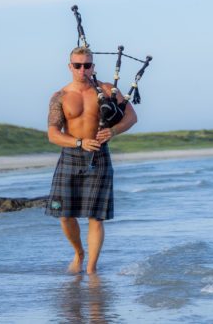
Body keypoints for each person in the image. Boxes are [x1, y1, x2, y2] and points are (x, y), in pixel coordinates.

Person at [45, 46, 137, 274]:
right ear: (70, 67)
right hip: (71, 155)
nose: (82, 69)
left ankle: (91, 269)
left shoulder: (107, 90)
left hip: (99, 155)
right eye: (78, 65)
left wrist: (114, 131)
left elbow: (131, 117)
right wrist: (79, 142)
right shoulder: (60, 96)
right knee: (65, 215)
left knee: (96, 217)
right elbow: (53, 133)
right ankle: (79, 253)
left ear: (93, 66)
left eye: (87, 65)